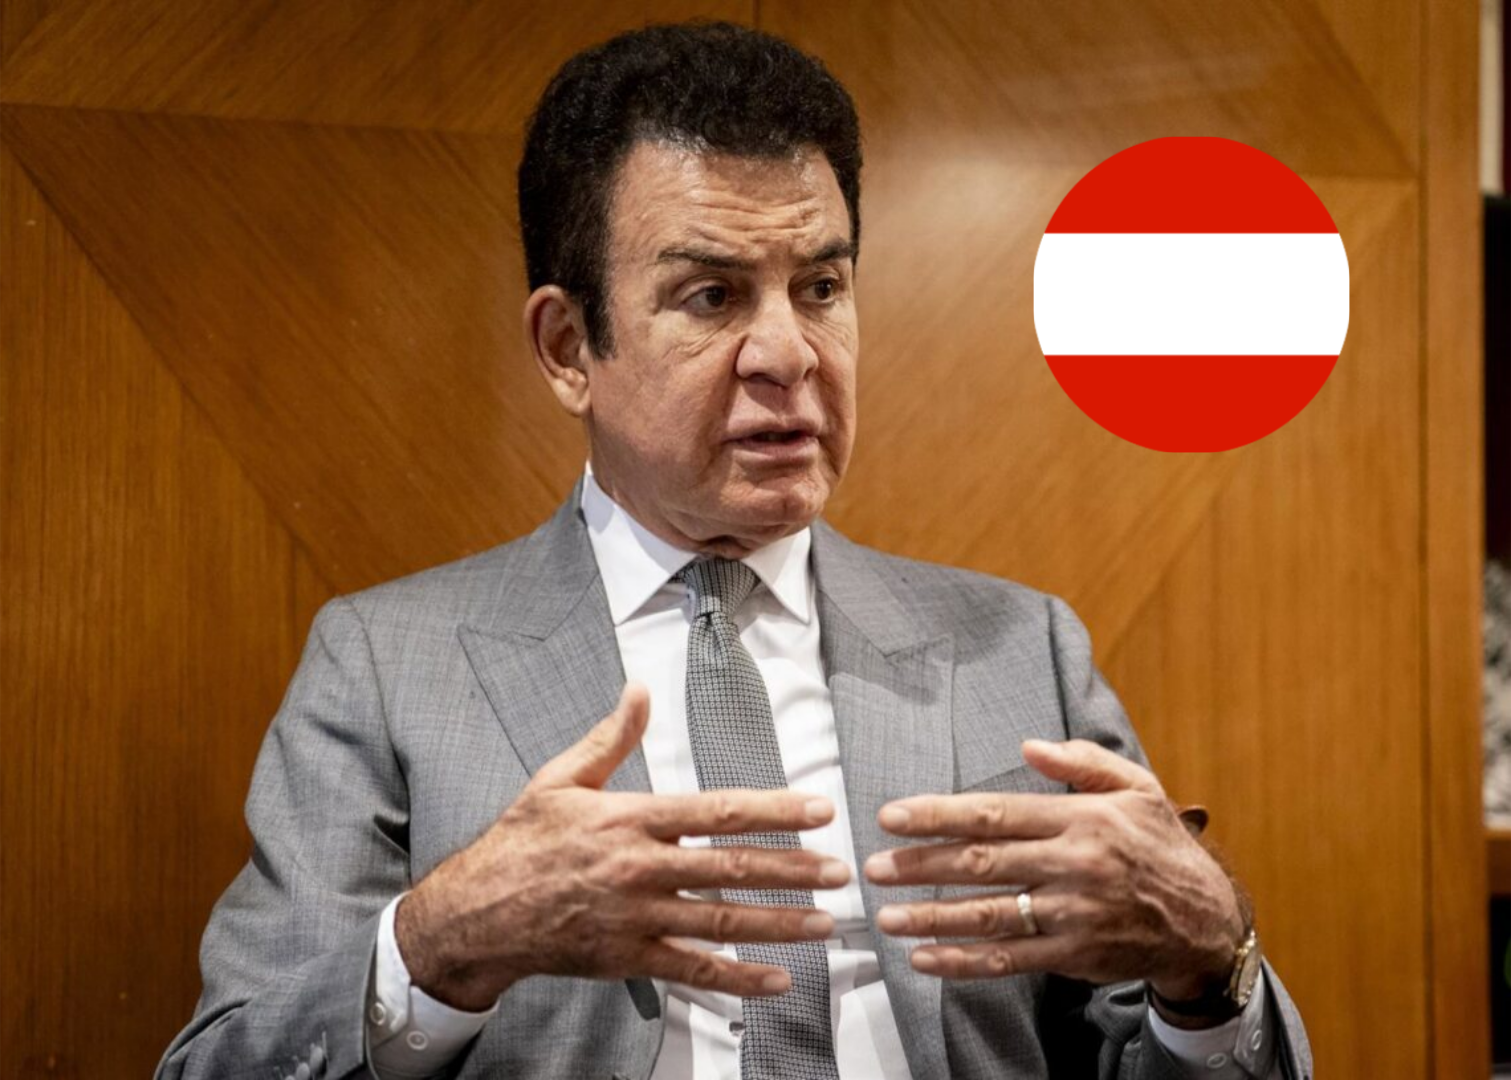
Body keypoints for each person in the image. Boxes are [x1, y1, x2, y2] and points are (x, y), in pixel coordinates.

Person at [157, 21, 1309, 1080]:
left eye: (820, 287)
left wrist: (1208, 965)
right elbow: (220, 1064)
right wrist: (441, 946)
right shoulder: (383, 666)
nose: (788, 354)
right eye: (710, 296)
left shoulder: (1021, 650)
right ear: (568, 348)